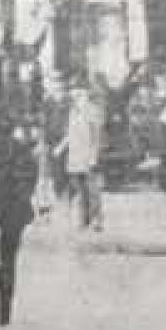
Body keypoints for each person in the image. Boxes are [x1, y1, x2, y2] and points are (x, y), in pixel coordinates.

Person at [55, 74, 107, 232]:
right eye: (74, 94)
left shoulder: (92, 110)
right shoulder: (73, 111)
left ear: (85, 94)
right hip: (75, 155)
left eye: (79, 94)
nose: (76, 97)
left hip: (88, 154)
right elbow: (70, 133)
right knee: (79, 189)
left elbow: (97, 135)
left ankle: (97, 220)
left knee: (92, 189)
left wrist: (94, 155)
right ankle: (84, 220)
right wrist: (61, 147)